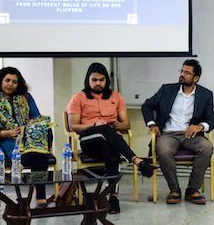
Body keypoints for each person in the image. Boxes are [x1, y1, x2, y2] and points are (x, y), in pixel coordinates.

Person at [66, 62, 156, 214]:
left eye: (101, 80)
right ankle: (137, 161)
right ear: (88, 80)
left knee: (111, 148)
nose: (98, 83)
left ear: (106, 80)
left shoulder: (116, 97)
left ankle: (113, 197)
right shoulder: (78, 97)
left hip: (110, 139)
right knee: (103, 130)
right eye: (94, 80)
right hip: (89, 140)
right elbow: (73, 126)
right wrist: (95, 124)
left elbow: (126, 124)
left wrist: (111, 126)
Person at [141, 59, 214, 205]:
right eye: (181, 71)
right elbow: (146, 105)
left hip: (191, 135)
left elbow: (211, 121)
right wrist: (152, 124)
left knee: (207, 148)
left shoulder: (206, 94)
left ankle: (192, 190)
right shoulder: (166, 90)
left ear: (196, 78)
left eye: (187, 73)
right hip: (168, 134)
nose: (182, 75)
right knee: (162, 149)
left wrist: (200, 126)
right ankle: (174, 190)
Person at [0, 67, 52, 208]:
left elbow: (36, 117)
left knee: (40, 149)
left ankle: (39, 194)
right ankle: (38, 194)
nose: (10, 84)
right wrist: (7, 133)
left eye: (14, 82)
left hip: (29, 136)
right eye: (7, 80)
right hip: (7, 139)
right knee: (37, 152)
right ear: (0, 81)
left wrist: (29, 128)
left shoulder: (26, 98)